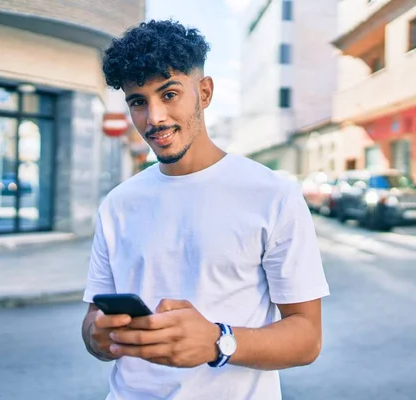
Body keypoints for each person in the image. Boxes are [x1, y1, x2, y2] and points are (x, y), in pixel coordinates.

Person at [81, 19, 330, 400]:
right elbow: (92, 328)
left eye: (169, 94)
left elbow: (307, 337)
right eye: (138, 102)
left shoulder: (272, 194)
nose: (154, 118)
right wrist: (98, 336)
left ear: (205, 91)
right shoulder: (118, 204)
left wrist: (219, 341)